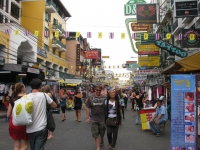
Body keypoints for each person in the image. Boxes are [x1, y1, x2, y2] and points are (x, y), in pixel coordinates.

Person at [27, 78, 57, 150]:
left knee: (33, 148)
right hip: (41, 128)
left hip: (29, 128)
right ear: (40, 86)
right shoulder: (44, 95)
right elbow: (54, 105)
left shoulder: (26, 97)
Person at [7, 83, 29, 150]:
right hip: (23, 123)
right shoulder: (26, 97)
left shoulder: (13, 98)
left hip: (13, 123)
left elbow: (8, 114)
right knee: (25, 146)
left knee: (16, 146)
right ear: (22, 88)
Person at [86, 85, 107, 150]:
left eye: (99, 90)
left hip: (102, 118)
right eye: (97, 90)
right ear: (95, 90)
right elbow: (88, 108)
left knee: (102, 132)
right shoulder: (91, 97)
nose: (98, 91)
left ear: (101, 90)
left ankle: (102, 139)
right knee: (95, 133)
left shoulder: (104, 98)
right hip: (94, 118)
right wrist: (87, 117)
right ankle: (98, 147)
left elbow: (107, 107)